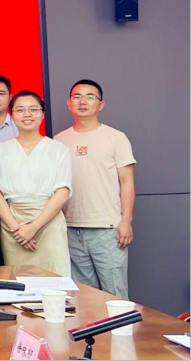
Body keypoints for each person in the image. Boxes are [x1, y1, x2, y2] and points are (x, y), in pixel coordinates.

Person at [56, 80, 136, 298]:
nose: (83, 101)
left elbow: (127, 182)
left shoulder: (116, 138)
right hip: (71, 228)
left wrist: (126, 221)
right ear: (69, 103)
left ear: (101, 104)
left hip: (107, 229)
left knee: (115, 295)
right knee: (83, 298)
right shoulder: (58, 141)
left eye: (90, 96)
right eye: (77, 96)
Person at [0, 91, 72, 276]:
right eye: (20, 110)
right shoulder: (0, 150)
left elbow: (62, 192)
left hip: (48, 223)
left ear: (43, 114)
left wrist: (33, 228)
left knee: (54, 280)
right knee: (19, 282)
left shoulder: (58, 149)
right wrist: (16, 229)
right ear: (11, 115)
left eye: (33, 109)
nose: (27, 114)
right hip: (13, 224)